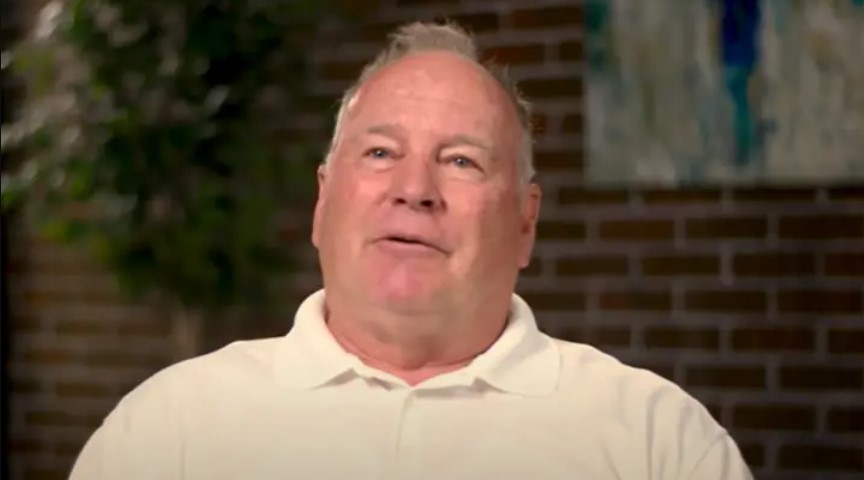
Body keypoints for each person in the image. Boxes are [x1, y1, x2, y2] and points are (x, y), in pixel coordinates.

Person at [68, 21, 753, 480]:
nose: (414, 190)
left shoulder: (657, 441)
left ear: (525, 222)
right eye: (380, 153)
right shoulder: (168, 432)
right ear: (323, 200)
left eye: (460, 161)